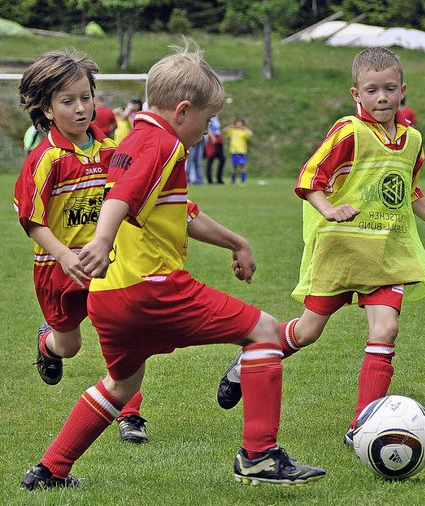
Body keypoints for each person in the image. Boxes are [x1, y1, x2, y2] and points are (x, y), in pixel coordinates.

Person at [19, 41, 325, 491]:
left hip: (108, 297)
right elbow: (122, 195)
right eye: (206, 118)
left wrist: (234, 242)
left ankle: (48, 471)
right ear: (182, 110)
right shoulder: (161, 143)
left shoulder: (126, 143)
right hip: (153, 289)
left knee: (121, 388)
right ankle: (259, 455)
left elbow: (180, 211)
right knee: (263, 332)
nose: (207, 128)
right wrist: (102, 240)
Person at [217, 46, 425, 446]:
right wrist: (328, 209)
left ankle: (363, 425)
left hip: (387, 254)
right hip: (342, 250)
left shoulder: (412, 139)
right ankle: (247, 361)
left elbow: (407, 189)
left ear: (402, 91)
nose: (382, 97)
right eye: (372, 90)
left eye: (389, 89)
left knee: (387, 328)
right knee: (308, 332)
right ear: (356, 94)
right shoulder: (348, 132)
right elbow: (310, 179)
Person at [14, 49, 149, 446]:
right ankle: (48, 344)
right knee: (70, 346)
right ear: (48, 109)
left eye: (86, 97)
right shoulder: (46, 159)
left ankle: (130, 414)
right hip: (57, 267)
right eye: (68, 101)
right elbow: (32, 221)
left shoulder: (112, 154)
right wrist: (64, 255)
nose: (81, 108)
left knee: (125, 333)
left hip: (107, 263)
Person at [223, 117, 253, 184]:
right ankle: (233, 180)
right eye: (237, 123)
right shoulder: (232, 131)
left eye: (240, 123)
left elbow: (251, 134)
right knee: (234, 166)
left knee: (243, 166)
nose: (238, 124)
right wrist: (230, 126)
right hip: (234, 151)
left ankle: (243, 180)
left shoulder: (243, 132)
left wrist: (244, 128)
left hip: (242, 151)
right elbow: (224, 131)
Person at [205, 115, 226, 185]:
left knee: (222, 159)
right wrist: (212, 137)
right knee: (210, 159)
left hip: (218, 139)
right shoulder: (210, 117)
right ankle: (210, 179)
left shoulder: (216, 118)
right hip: (212, 140)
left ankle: (219, 178)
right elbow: (207, 129)